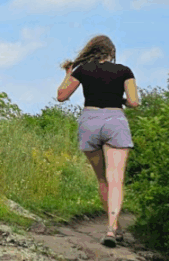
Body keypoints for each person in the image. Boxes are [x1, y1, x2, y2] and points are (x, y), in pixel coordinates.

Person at [56, 35, 139, 248]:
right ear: (111, 53)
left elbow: (62, 96)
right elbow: (134, 102)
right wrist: (120, 99)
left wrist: (68, 74)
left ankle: (115, 226)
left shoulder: (82, 70)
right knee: (116, 179)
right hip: (115, 120)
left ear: (91, 51)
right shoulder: (124, 71)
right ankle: (112, 229)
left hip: (89, 121)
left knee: (102, 180)